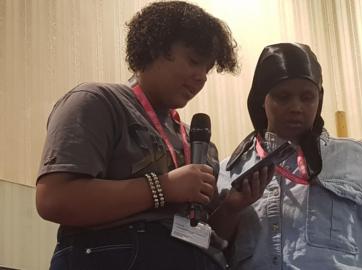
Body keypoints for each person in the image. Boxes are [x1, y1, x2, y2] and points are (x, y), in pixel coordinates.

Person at [35, 1, 259, 269]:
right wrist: (163, 187)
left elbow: (207, 234)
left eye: (208, 69)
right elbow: (54, 200)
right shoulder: (97, 102)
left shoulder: (198, 143)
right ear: (155, 47)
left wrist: (233, 207)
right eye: (194, 61)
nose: (201, 78)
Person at [216, 42, 362, 269]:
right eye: (283, 97)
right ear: (260, 100)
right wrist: (229, 211)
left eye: (307, 97)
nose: (296, 107)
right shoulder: (231, 171)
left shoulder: (354, 160)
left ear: (319, 98)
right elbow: (204, 252)